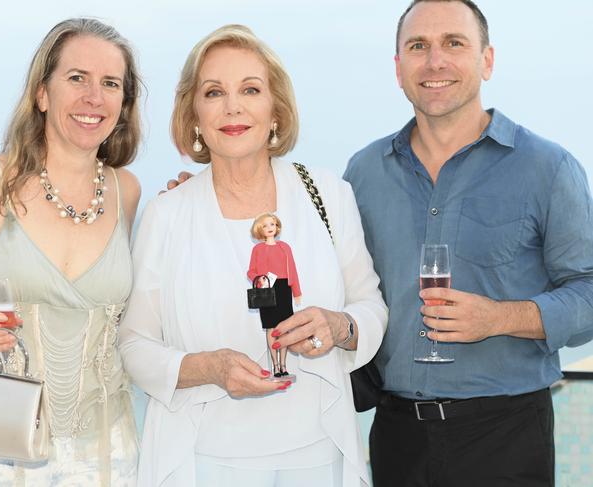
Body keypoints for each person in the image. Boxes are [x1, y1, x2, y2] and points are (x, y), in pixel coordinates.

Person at [119, 24, 388, 487]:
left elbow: (372, 307)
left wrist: (338, 325)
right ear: (195, 116)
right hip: (202, 459)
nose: (233, 106)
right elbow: (134, 344)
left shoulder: (328, 194)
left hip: (317, 452)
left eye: (250, 89)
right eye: (214, 92)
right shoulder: (166, 213)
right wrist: (210, 368)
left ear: (276, 110)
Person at [342, 1, 593, 486]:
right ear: (399, 69)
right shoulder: (363, 173)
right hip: (396, 436)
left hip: (507, 436)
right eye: (419, 46)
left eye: (453, 43)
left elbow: (588, 291)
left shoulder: (548, 168)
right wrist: (207, 194)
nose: (435, 61)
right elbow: (327, 274)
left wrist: (499, 318)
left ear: (487, 60)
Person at [0, 18, 142, 486]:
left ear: (123, 104)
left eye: (110, 84)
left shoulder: (127, 191)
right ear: (42, 93)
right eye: (77, 78)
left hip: (105, 451)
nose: (94, 97)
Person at [247, 212, 302, 378]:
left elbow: (292, 269)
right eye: (265, 225)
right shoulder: (257, 249)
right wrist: (258, 280)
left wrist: (296, 291)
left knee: (283, 328)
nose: (269, 228)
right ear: (259, 230)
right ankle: (275, 367)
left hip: (284, 288)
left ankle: (284, 365)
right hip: (267, 289)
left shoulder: (284, 247)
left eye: (272, 224)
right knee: (271, 328)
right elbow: (250, 271)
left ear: (277, 226)